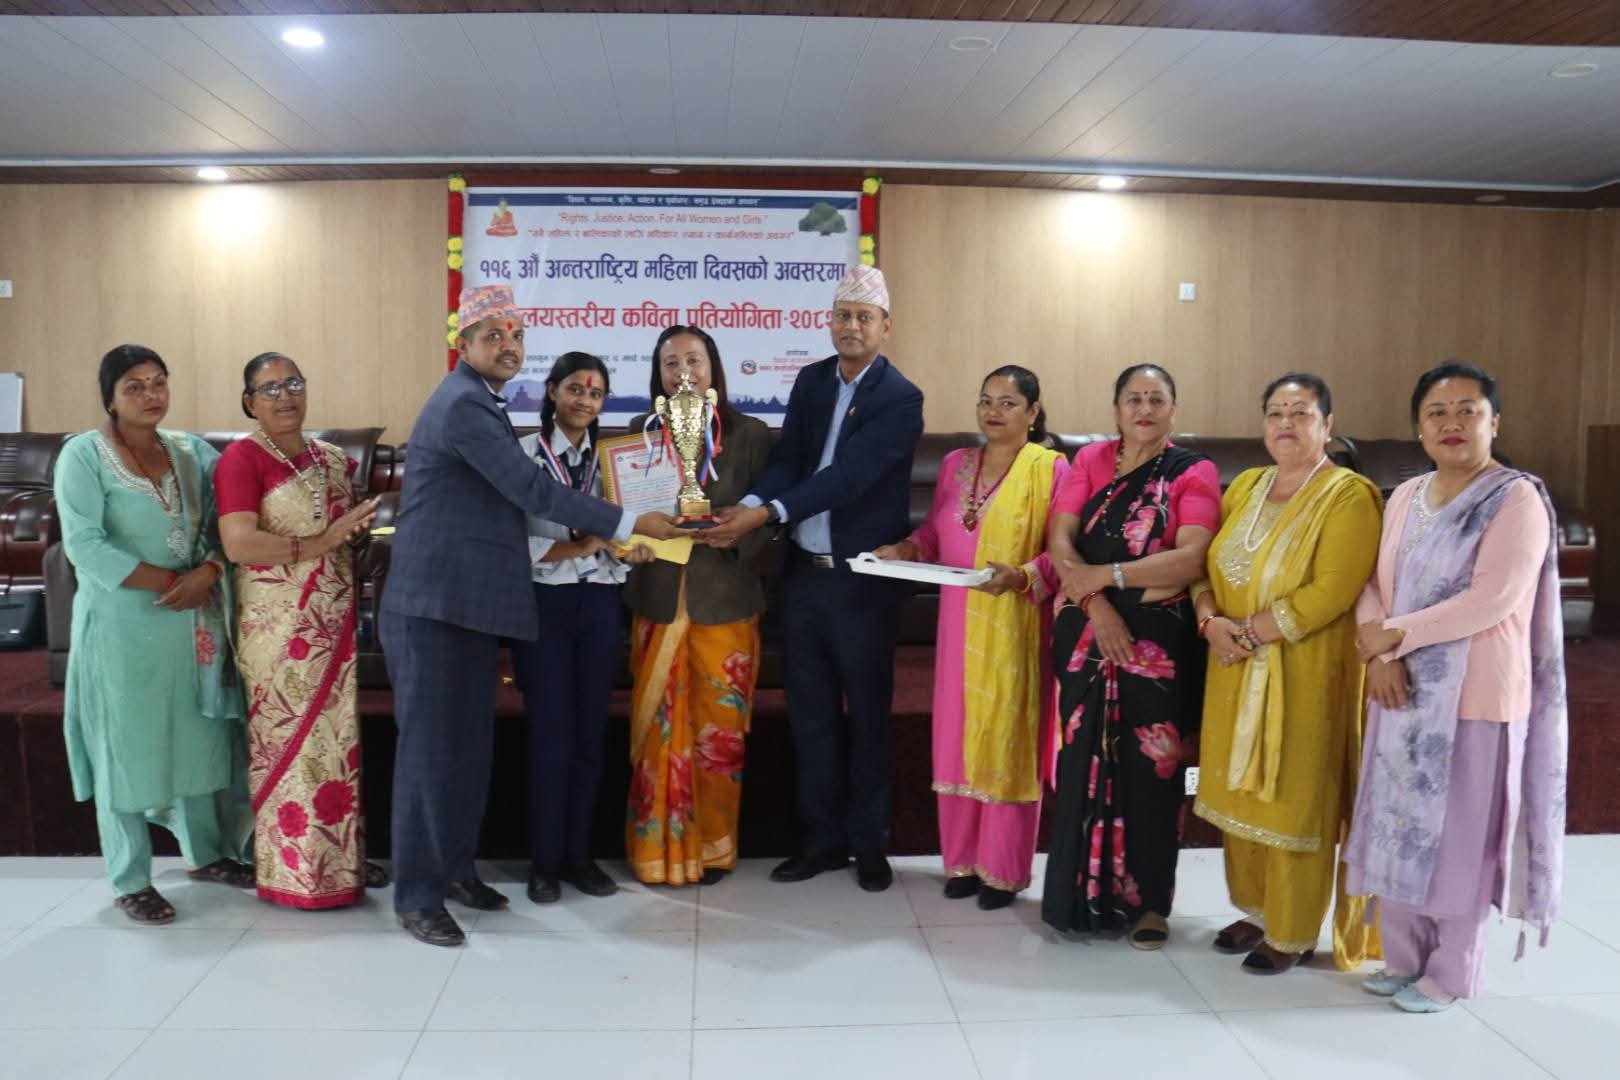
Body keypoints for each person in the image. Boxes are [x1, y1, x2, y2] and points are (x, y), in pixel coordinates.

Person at [381, 285, 681, 947]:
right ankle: (418, 896)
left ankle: (456, 871)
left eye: (516, 334)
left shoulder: (484, 403)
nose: (508, 345)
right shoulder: (463, 403)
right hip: (432, 607)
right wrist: (630, 521)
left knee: (467, 751)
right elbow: (530, 489)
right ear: (464, 345)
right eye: (492, 334)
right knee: (430, 758)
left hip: (470, 607)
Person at [1346, 362, 1566, 1013]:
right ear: (1419, 428)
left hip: (1477, 696)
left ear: (1495, 423)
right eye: (1437, 412)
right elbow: (1372, 584)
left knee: (1460, 842)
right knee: (1398, 828)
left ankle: (1450, 973)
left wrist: (1393, 637)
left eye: (1468, 410)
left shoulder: (1516, 499)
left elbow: (1493, 598)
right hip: (1402, 691)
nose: (1452, 423)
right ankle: (1403, 958)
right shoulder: (1406, 496)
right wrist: (1379, 651)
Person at [703, 265, 924, 892]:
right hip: (803, 579)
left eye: (863, 317)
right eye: (842, 315)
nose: (851, 326)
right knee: (812, 716)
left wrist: (765, 513)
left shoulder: (901, 398)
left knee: (868, 718)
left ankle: (870, 845)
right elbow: (791, 461)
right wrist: (753, 502)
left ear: (885, 326)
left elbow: (846, 478)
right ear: (829, 321)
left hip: (861, 585)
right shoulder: (811, 380)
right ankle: (822, 842)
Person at [54, 344, 253, 924]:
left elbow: (226, 525)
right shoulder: (83, 456)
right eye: (135, 386)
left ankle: (206, 854)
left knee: (196, 734)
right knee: (125, 746)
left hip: (190, 623)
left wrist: (209, 571)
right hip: (122, 626)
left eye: (159, 382)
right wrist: (172, 581)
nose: (151, 395)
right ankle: (130, 877)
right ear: (111, 398)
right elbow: (85, 545)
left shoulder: (192, 453)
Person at [1192, 373, 1382, 974]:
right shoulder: (1247, 486)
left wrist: (1248, 633)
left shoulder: (1348, 496)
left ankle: (1293, 931)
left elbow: (1332, 590)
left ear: (1328, 425)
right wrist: (1209, 622)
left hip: (1305, 672)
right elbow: (1205, 566)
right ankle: (1255, 909)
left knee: (1295, 796)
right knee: (1240, 791)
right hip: (1231, 665)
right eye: (1276, 412)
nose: (1286, 424)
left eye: (1301, 413)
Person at [874, 366, 1066, 909]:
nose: (993, 412)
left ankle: (1002, 871)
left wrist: (1024, 576)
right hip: (958, 621)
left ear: (1033, 411)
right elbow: (935, 532)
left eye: (1008, 402)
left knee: (1005, 738)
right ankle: (960, 862)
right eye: (986, 400)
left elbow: (1063, 551)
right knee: (957, 737)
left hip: (1014, 623)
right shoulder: (956, 464)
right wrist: (907, 548)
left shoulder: (1050, 468)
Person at [1039, 364, 1219, 947]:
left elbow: (1190, 559)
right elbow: (1061, 544)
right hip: (1086, 633)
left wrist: (1107, 574)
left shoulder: (1193, 471)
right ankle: (1079, 898)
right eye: (1133, 399)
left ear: (1174, 409)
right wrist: (1098, 602)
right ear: (1116, 409)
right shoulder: (1089, 461)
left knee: (1154, 771)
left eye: (1156, 399)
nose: (1145, 409)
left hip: (1159, 647)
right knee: (1082, 760)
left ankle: (1150, 907)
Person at [214, 352, 385, 910]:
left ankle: (339, 863)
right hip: (277, 627)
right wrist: (323, 542)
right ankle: (292, 873)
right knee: (288, 741)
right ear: (249, 402)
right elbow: (239, 544)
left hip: (332, 622)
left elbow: (344, 533)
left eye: (293, 384)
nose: (284, 396)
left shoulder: (331, 459)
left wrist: (357, 535)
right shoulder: (241, 459)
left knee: (336, 743)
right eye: (269, 389)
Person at [623, 326, 771, 887]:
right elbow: (622, 515)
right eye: (670, 363)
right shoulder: (640, 434)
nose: (682, 372)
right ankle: (656, 852)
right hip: (657, 599)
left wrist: (737, 535)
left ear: (714, 368)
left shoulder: (750, 435)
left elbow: (771, 522)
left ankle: (712, 849)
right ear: (657, 374)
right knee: (656, 737)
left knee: (719, 738)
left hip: (725, 603)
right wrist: (629, 542)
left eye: (694, 360)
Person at [512, 352, 653, 904]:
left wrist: (637, 548)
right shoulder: (522, 455)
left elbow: (627, 533)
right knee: (551, 736)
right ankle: (543, 863)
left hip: (599, 602)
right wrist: (573, 548)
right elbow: (504, 537)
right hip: (543, 602)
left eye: (595, 394)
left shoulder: (618, 461)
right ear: (552, 391)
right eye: (574, 389)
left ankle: (579, 857)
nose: (584, 401)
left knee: (590, 736)